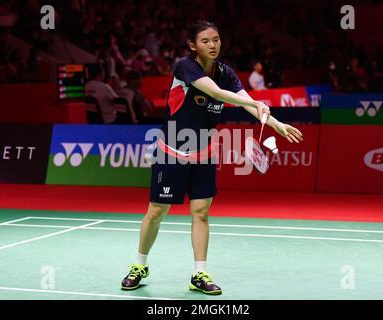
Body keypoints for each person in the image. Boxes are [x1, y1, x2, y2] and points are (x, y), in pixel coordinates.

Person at [121, 20, 303, 295]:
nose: (212, 45)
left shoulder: (226, 73)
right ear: (194, 46)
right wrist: (254, 101)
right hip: (173, 150)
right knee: (156, 212)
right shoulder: (186, 66)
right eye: (205, 41)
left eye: (216, 39)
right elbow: (217, 94)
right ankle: (139, 265)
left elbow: (246, 103)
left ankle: (199, 273)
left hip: (204, 151)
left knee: (201, 213)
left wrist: (276, 124)